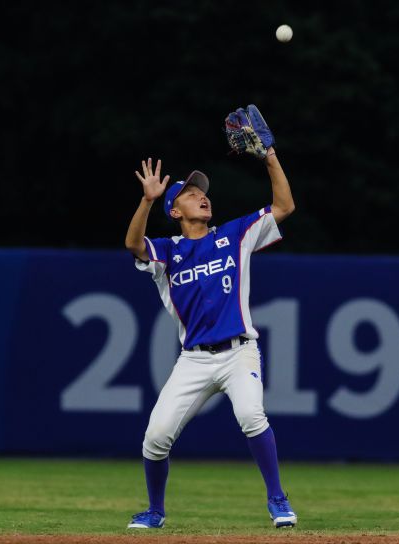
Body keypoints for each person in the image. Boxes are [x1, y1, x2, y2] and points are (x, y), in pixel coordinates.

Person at [125, 148, 297, 530]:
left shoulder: (234, 235)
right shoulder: (168, 252)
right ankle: (155, 511)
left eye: (203, 193)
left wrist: (269, 157)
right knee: (155, 437)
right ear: (175, 211)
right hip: (195, 360)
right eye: (190, 194)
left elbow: (284, 206)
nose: (202, 197)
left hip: (239, 352)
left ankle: (278, 499)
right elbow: (134, 244)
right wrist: (147, 200)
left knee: (251, 414)